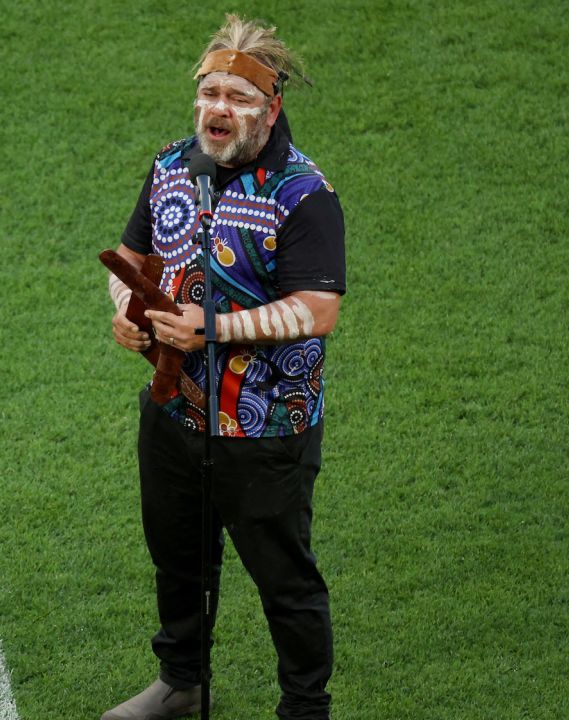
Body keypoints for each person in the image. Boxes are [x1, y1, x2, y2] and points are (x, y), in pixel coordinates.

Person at [103, 15, 346, 720]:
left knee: (284, 579)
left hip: (266, 427)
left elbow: (316, 308)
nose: (219, 109)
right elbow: (128, 258)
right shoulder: (171, 164)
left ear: (271, 110)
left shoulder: (304, 195)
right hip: (174, 411)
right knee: (178, 559)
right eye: (211, 93)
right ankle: (182, 682)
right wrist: (128, 310)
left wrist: (214, 328)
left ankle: (305, 709)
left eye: (239, 98)